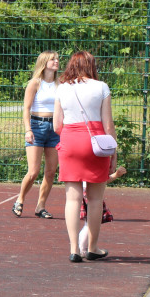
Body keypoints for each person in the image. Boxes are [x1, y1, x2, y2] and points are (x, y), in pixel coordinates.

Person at [54, 51, 118, 263]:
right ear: (91, 65)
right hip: (95, 142)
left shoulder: (62, 88)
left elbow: (56, 125)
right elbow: (108, 124)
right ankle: (92, 247)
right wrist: (114, 154)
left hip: (70, 141)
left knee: (71, 198)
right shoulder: (101, 87)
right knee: (95, 198)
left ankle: (74, 249)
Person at [13, 51, 60, 219]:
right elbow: (26, 108)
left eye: (57, 59)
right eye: (52, 59)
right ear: (44, 62)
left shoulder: (59, 84)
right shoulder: (35, 83)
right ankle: (20, 199)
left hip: (55, 129)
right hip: (37, 126)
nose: (56, 62)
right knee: (33, 171)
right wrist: (28, 129)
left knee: (51, 171)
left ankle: (41, 206)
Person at [77, 166, 127, 256]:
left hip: (83, 193)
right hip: (90, 195)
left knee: (88, 224)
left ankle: (81, 248)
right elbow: (102, 180)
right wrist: (115, 175)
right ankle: (82, 249)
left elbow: (103, 180)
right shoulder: (93, 167)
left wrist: (115, 175)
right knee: (89, 225)